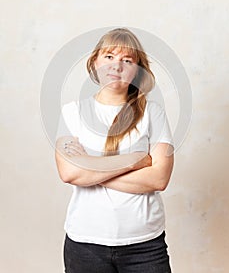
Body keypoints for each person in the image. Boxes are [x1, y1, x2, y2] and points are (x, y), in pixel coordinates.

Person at [55, 27, 174, 273]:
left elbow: (159, 178)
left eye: (127, 60)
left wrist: (89, 165)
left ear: (138, 70)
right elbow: (69, 174)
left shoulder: (153, 113)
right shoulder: (72, 112)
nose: (116, 66)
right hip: (85, 244)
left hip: (145, 245)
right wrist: (134, 160)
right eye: (109, 56)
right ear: (95, 61)